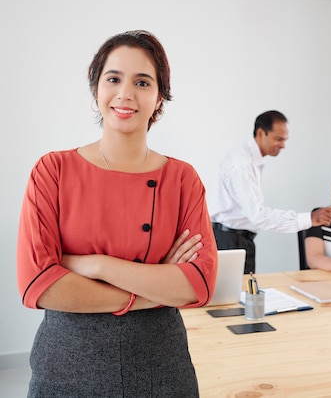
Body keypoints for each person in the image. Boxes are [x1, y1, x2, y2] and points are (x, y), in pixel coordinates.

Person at [17, 30, 218, 398]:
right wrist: (153, 289)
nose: (126, 93)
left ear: (159, 98)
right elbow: (39, 285)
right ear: (97, 91)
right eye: (113, 79)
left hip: (161, 364)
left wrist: (94, 265)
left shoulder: (182, 178)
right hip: (68, 364)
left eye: (142, 82)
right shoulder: (53, 170)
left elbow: (198, 285)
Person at [209, 110, 331, 273]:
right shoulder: (242, 164)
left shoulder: (251, 158)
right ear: (261, 133)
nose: (283, 145)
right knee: (237, 296)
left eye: (285, 139)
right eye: (279, 139)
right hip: (230, 241)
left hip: (238, 239)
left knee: (243, 293)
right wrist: (309, 219)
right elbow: (258, 216)